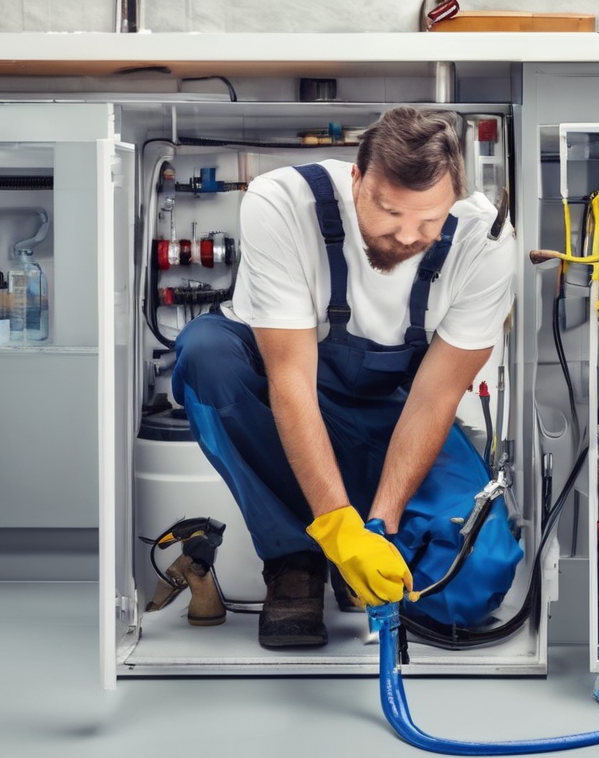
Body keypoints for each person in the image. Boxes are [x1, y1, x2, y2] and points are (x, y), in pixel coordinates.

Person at [171, 106, 522, 648]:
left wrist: (375, 532)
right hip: (284, 387)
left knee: (473, 582)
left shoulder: (486, 243)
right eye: (388, 211)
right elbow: (289, 380)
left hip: (395, 410)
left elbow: (435, 397)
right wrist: (339, 525)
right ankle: (296, 559)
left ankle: (362, 557)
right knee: (206, 356)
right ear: (357, 179)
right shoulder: (283, 203)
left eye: (429, 221)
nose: (407, 236)